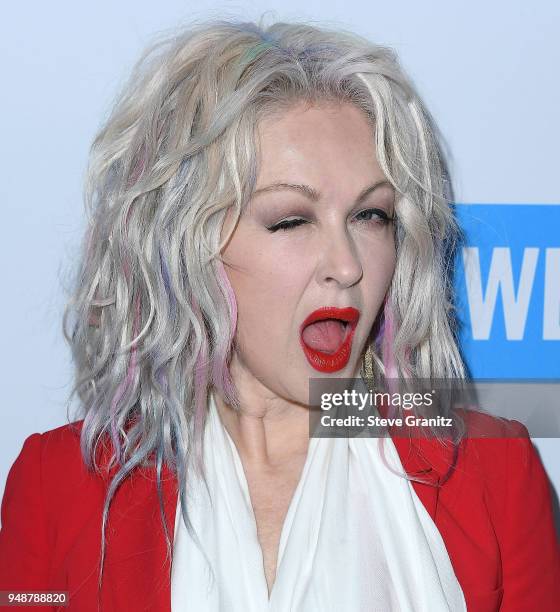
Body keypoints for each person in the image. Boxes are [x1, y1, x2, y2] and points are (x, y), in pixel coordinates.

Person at [1, 16, 559, 612]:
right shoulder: (57, 487)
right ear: (186, 248)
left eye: (372, 215)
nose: (347, 265)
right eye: (291, 220)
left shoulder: (492, 472)